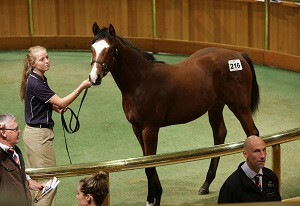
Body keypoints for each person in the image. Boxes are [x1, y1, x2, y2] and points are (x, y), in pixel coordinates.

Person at [19, 45, 92, 206]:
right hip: (39, 136)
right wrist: (81, 87)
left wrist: (53, 107)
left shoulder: (37, 78)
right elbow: (61, 101)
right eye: (42, 59)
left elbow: (45, 101)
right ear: (33, 63)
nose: (47, 61)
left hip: (34, 134)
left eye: (47, 57)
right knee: (47, 184)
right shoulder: (36, 82)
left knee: (37, 183)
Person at [218, 135, 281, 203]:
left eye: (264, 150)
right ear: (245, 154)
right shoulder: (231, 186)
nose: (263, 156)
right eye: (257, 151)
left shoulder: (271, 177)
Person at [0, 113, 44, 206]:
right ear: (3, 132)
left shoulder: (15, 150)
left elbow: (15, 173)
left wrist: (27, 181)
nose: (19, 131)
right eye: (15, 129)